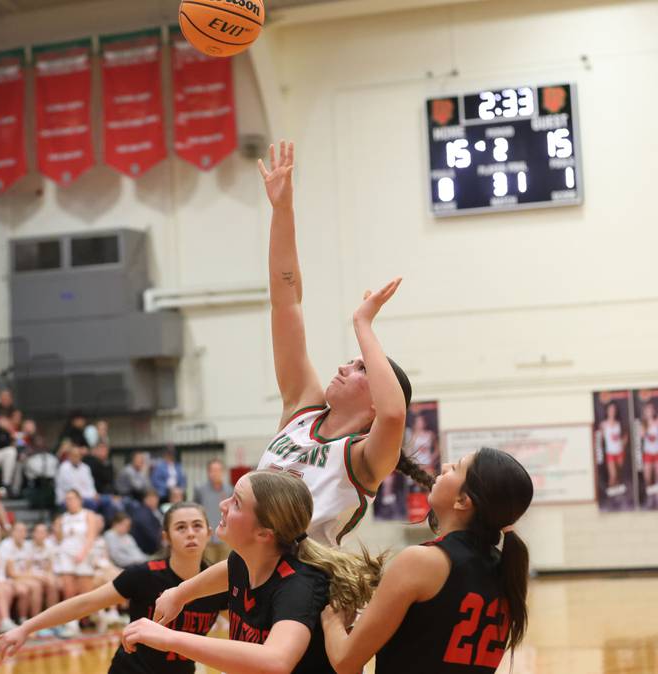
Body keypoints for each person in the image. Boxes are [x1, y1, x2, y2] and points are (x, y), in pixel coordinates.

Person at [254, 141, 428, 547]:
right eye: (352, 362)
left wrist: (362, 323)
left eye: (360, 368)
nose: (345, 368)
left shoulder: (366, 457)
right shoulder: (302, 409)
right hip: (251, 575)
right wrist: (282, 212)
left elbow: (393, 414)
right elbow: (286, 303)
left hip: (309, 587)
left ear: (373, 403)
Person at [124, 470, 382, 674]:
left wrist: (170, 639)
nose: (223, 505)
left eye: (236, 503)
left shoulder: (298, 585)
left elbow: (276, 662)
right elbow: (228, 569)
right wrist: (181, 593)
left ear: (264, 533)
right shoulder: (245, 560)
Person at [320, 448, 534, 674]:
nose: (444, 467)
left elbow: (345, 661)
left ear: (462, 500)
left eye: (456, 467)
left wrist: (332, 621)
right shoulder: (505, 569)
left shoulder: (423, 562)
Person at [0, 501, 228, 674]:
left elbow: (248, 627)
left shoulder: (217, 583)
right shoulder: (143, 575)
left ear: (208, 533)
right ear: (166, 537)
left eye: (197, 526)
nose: (190, 533)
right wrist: (26, 628)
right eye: (181, 527)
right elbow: (85, 603)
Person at [52, 489, 98, 636]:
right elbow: (59, 540)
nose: (69, 502)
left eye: (72, 498)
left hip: (83, 555)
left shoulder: (88, 515)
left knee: (86, 593)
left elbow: (91, 536)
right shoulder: (62, 518)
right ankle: (71, 624)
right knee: (68, 591)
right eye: (67, 499)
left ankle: (97, 616)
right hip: (66, 555)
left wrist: (83, 553)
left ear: (79, 500)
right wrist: (56, 529)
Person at [56, 444, 120, 524]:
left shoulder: (85, 467)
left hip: (87, 496)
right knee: (92, 503)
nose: (76, 457)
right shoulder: (64, 468)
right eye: (74, 455)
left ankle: (108, 526)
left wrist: (94, 494)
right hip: (68, 499)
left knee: (109, 500)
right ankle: (91, 525)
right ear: (69, 456)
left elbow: (90, 484)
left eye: (78, 455)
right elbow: (72, 490)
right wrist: (90, 496)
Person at [193, 458, 232, 563]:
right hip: (208, 540)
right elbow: (195, 513)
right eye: (213, 470)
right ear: (208, 472)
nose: (215, 473)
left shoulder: (230, 490)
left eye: (218, 470)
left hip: (225, 540)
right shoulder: (200, 490)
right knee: (209, 570)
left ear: (223, 472)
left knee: (226, 570)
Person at [598, 401, 628, 489]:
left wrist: (623, 443)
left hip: (619, 452)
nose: (612, 411)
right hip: (610, 453)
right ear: (607, 411)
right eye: (610, 409)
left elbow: (625, 436)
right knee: (613, 475)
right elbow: (600, 439)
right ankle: (611, 495)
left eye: (614, 409)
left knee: (618, 475)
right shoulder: (603, 424)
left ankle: (617, 495)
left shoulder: (619, 423)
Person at [639, 402, 658, 507]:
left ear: (654, 411)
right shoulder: (643, 424)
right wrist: (646, 427)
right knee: (647, 477)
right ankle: (650, 497)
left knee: (657, 476)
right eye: (647, 410)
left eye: (651, 409)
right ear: (645, 412)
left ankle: (656, 498)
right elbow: (641, 435)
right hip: (648, 454)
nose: (649, 411)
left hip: (657, 453)